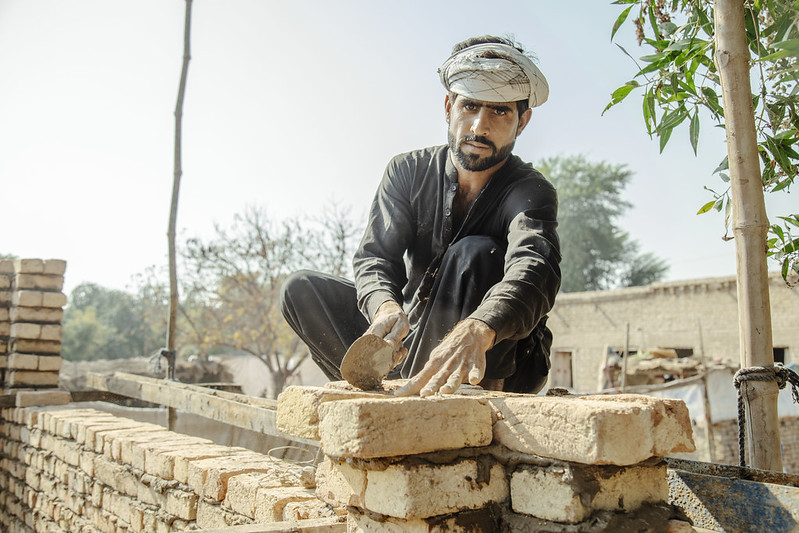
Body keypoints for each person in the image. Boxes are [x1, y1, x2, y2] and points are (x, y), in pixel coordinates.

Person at [281, 35, 561, 396]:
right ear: (449, 107)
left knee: (475, 252)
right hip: (412, 336)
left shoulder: (530, 191)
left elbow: (535, 268)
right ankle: (391, 393)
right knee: (301, 289)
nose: (479, 126)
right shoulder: (407, 171)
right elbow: (376, 258)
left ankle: (418, 404)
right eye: (470, 106)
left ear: (522, 122)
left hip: (490, 357)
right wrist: (385, 310)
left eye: (499, 111)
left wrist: (480, 326)